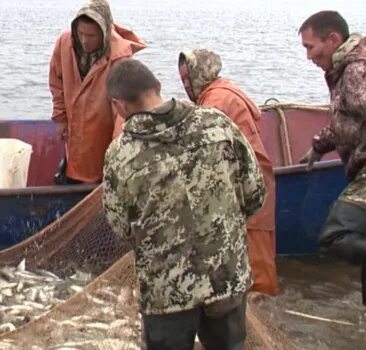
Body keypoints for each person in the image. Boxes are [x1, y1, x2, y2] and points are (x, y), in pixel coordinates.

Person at [102, 58, 265, 349]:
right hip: (225, 280)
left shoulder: (120, 154)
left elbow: (121, 227)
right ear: (159, 87)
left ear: (119, 105)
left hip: (167, 294)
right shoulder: (218, 124)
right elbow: (254, 192)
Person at [178, 49, 278, 295]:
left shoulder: (217, 101)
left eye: (187, 80)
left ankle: (263, 317)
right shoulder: (222, 91)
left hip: (248, 185)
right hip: (247, 181)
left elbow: (204, 147)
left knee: (257, 260)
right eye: (182, 81)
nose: (186, 87)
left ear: (201, 74)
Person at [297, 10, 366, 305]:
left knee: (335, 235)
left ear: (333, 40)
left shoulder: (356, 72)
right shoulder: (345, 71)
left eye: (310, 47)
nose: (308, 56)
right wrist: (319, 145)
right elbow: (348, 118)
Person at [49, 0, 145, 185]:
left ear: (105, 32)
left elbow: (123, 109)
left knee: (99, 172)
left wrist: (118, 147)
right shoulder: (64, 42)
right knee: (73, 168)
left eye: (91, 35)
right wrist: (60, 117)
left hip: (102, 134)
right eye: (81, 33)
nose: (84, 40)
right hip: (74, 132)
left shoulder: (120, 57)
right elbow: (56, 82)